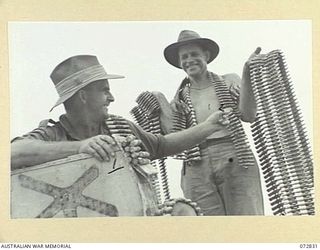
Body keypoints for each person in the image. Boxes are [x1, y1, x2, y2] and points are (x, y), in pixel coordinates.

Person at [11, 54, 231, 172]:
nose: (112, 98)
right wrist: (80, 147)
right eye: (104, 90)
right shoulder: (52, 134)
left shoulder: (120, 126)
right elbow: (12, 154)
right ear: (83, 96)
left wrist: (209, 126)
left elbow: (162, 144)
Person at [162, 30, 264, 215]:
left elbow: (249, 115)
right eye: (184, 57)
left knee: (246, 219)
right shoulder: (178, 99)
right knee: (205, 227)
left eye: (195, 54)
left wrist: (247, 74)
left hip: (233, 153)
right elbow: (170, 139)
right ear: (179, 63)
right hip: (195, 162)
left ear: (206, 56)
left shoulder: (228, 80)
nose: (189, 60)